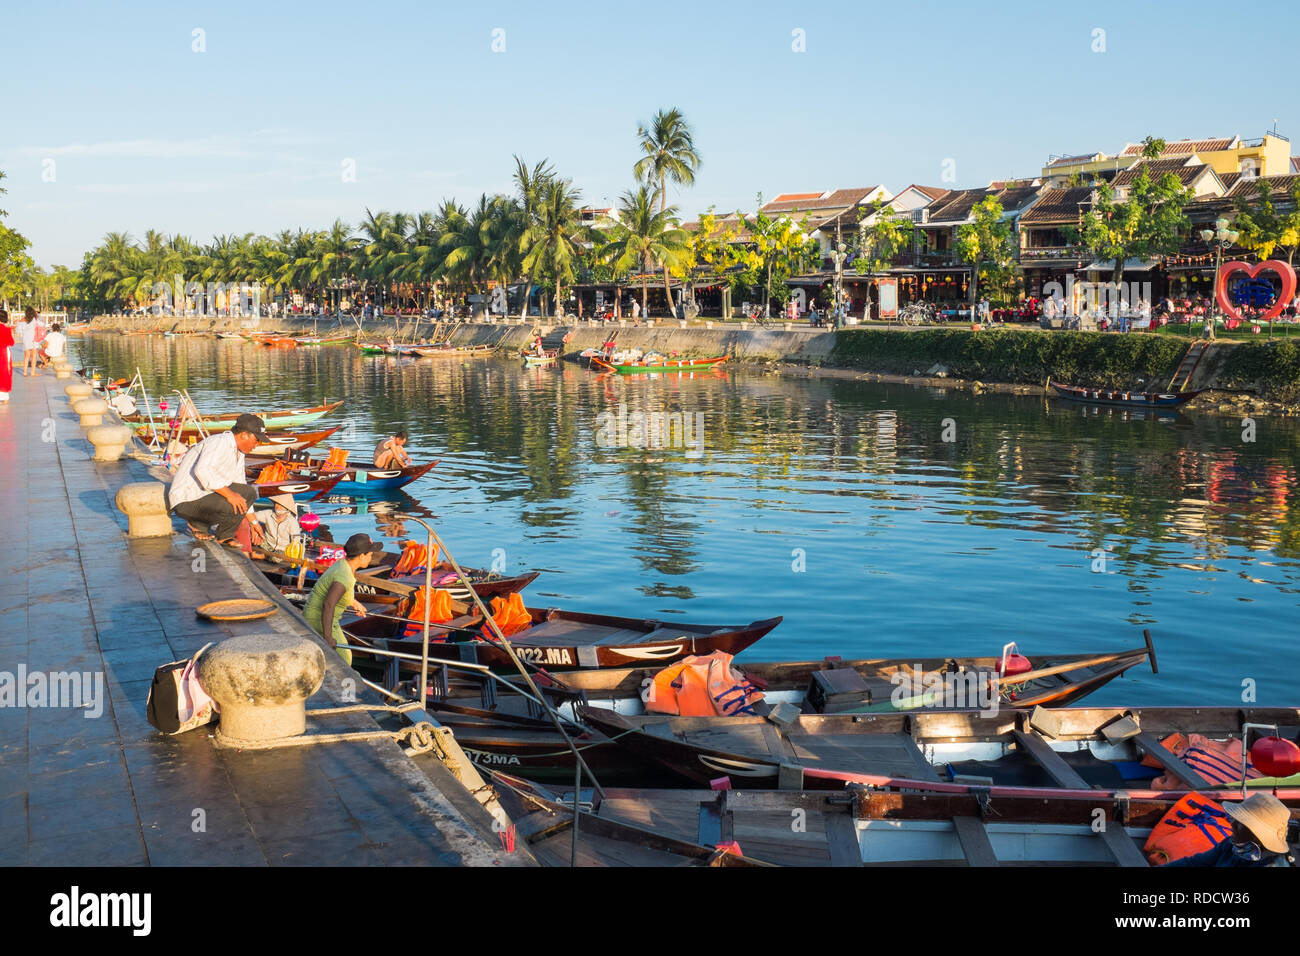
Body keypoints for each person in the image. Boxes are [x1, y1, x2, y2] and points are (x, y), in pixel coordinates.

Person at [167, 413, 270, 551]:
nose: (257, 445)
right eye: (256, 440)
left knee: (249, 492)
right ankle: (200, 525)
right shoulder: (220, 442)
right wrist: (230, 495)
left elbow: (241, 485)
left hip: (203, 497)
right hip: (186, 500)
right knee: (232, 501)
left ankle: (220, 534)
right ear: (244, 435)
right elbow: (202, 470)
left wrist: (254, 522)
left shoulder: (239, 453)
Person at [301, 533, 380, 664]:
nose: (371, 557)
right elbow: (328, 605)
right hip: (318, 619)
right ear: (361, 556)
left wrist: (353, 602)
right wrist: (328, 637)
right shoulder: (344, 576)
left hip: (316, 615)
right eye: (370, 554)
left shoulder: (343, 564)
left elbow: (338, 592)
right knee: (345, 659)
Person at [1163, 794, 1292, 867]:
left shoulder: (1271, 865)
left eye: (1241, 824)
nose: (1232, 826)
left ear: (1256, 835)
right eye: (1233, 819)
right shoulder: (1231, 844)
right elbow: (1194, 863)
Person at [18, 308, 41, 377]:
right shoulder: (35, 320)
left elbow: (18, 331)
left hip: (26, 340)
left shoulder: (22, 320)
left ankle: (25, 372)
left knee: (26, 356)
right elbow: (41, 326)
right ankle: (32, 372)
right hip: (34, 339)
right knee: (34, 357)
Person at [0, 309, 12, 402]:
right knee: (4, 373)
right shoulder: (7, 329)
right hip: (4, 352)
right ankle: (5, 397)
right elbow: (11, 342)